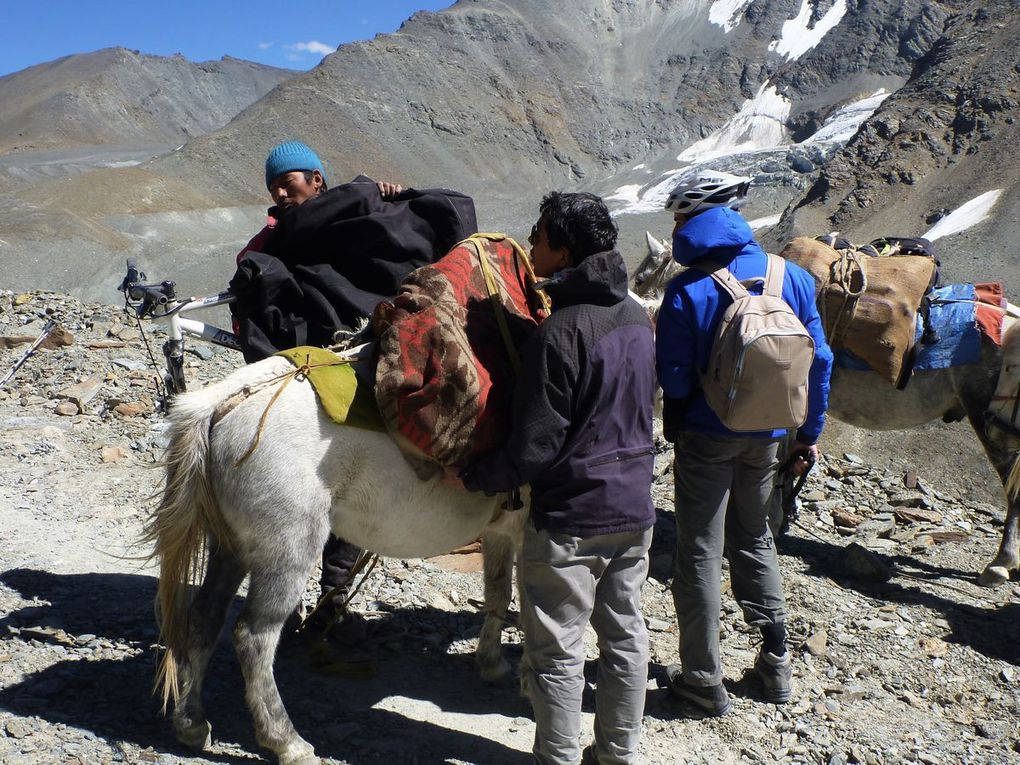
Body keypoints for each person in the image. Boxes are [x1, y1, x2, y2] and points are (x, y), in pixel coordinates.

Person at [460, 192, 656, 765]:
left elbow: (534, 450)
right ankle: (615, 754)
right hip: (634, 510)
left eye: (539, 235)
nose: (531, 243)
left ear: (564, 250)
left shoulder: (560, 333)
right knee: (625, 639)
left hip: (571, 518)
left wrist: (475, 476)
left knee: (557, 652)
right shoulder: (636, 319)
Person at [655, 170, 833, 715]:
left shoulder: (687, 289)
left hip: (708, 437)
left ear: (696, 220)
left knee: (701, 550)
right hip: (771, 437)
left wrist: (681, 423)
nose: (678, 224)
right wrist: (809, 433)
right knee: (755, 539)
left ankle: (703, 679)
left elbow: (676, 377)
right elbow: (819, 361)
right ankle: (776, 664)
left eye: (680, 216)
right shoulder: (794, 277)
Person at [236, 140, 402, 655]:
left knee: (354, 483)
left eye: (290, 183)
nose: (282, 193)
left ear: (317, 180)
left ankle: (332, 600)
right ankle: (289, 605)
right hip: (305, 373)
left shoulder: (350, 217)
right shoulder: (269, 239)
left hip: (351, 363)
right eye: (274, 188)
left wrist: (382, 200)